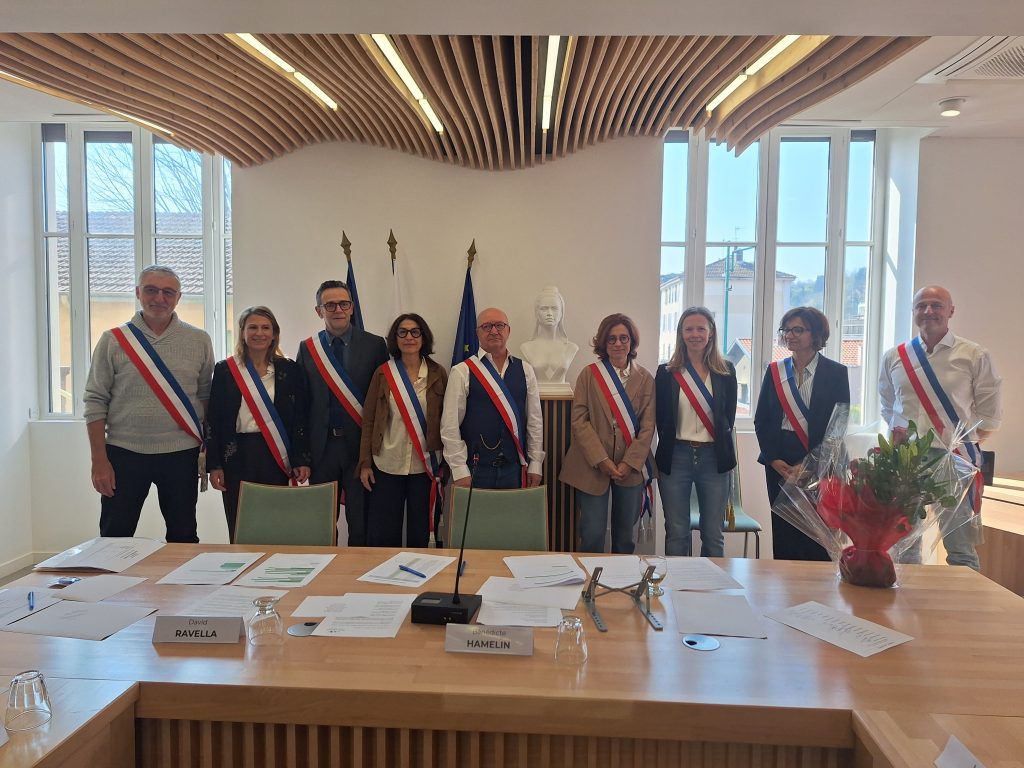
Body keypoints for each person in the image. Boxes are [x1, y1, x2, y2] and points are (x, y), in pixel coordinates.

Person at [84, 265, 214, 542]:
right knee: (114, 537)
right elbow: (95, 400)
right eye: (151, 290)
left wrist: (207, 450)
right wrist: (99, 461)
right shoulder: (113, 340)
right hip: (124, 453)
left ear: (179, 297)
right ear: (138, 293)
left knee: (183, 537)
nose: (159, 298)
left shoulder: (199, 339)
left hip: (181, 453)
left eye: (168, 292)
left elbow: (205, 396)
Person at [879, 285, 1002, 570]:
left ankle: (963, 599)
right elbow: (889, 406)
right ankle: (906, 598)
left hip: (954, 459)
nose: (928, 311)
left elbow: (990, 415)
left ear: (951, 311)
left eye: (936, 305)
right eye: (921, 305)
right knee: (904, 545)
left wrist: (961, 447)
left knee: (961, 548)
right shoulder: (895, 356)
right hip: (906, 461)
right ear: (913, 312)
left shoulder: (973, 355)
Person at [206, 306, 311, 541]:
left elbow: (299, 418)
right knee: (240, 519)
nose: (259, 333)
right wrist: (215, 465)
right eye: (252, 327)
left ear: (274, 334)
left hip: (276, 453)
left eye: (266, 328)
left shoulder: (290, 370)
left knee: (276, 520)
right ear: (242, 332)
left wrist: (301, 459)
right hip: (236, 454)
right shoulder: (225, 370)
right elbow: (214, 419)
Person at [296, 280, 389, 546]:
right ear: (319, 311)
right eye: (330, 305)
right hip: (321, 449)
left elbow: (383, 401)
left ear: (352, 308)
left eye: (344, 304)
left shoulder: (374, 345)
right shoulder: (308, 348)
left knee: (361, 522)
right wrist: (302, 454)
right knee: (321, 523)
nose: (338, 309)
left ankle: (358, 570)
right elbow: (301, 404)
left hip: (359, 449)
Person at [754, 306, 849, 561]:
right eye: (786, 330)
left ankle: (817, 584)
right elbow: (762, 420)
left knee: (818, 532)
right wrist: (773, 459)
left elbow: (838, 424)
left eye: (798, 330)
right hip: (780, 459)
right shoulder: (775, 371)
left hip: (819, 460)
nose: (789, 335)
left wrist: (812, 465)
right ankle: (785, 584)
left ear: (815, 334)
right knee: (784, 531)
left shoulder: (836, 373)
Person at [560, 314, 654, 554]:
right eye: (611, 339)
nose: (618, 343)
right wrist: (601, 459)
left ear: (632, 342)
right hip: (591, 465)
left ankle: (621, 579)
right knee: (591, 534)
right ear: (603, 342)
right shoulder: (589, 375)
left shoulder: (646, 379)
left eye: (624, 338)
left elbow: (647, 427)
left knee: (625, 537)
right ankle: (590, 578)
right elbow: (579, 421)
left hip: (630, 467)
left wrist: (629, 463)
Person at [358, 314, 448, 548]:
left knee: (421, 533)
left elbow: (448, 421)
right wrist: (365, 463)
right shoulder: (383, 373)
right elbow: (369, 421)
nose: (409, 337)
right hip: (387, 462)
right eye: (403, 332)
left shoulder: (438, 373)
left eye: (415, 332)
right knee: (384, 534)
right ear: (395, 338)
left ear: (423, 337)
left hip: (425, 466)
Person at [654, 307, 737, 557]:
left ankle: (709, 582)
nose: (695, 334)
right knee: (677, 531)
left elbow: (728, 417)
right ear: (681, 333)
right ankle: (677, 581)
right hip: (676, 456)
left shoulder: (726, 371)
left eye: (701, 328)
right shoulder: (666, 372)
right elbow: (661, 418)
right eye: (689, 329)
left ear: (711, 332)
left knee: (713, 533)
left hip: (713, 458)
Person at [442, 307, 545, 489]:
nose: (494, 331)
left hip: (514, 467)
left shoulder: (526, 370)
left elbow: (535, 421)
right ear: (477, 333)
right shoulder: (462, 371)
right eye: (487, 326)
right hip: (475, 470)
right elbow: (449, 425)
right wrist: (459, 469)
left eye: (499, 325)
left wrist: (535, 463)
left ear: (508, 330)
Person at [519, 285, 578, 390]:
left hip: (562, 396)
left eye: (554, 308)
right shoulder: (526, 347)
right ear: (537, 313)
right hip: (536, 396)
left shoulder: (571, 348)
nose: (549, 313)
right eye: (544, 308)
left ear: (561, 312)